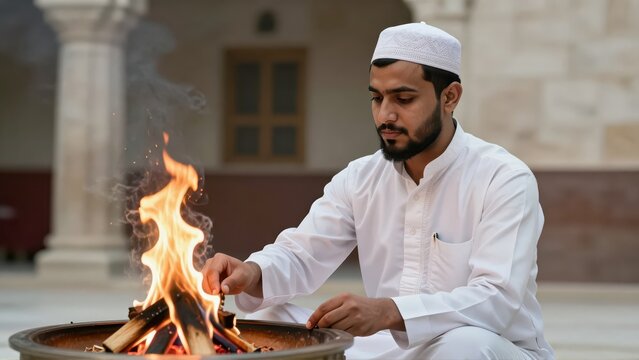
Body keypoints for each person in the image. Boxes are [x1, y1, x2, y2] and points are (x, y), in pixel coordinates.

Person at [202, 22, 554, 359]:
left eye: (403, 99)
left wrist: (389, 312)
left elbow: (496, 300)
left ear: (450, 97)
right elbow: (302, 254)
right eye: (377, 98)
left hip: (492, 347)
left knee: (463, 346)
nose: (385, 115)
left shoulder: (503, 178)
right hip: (384, 348)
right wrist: (253, 273)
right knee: (269, 322)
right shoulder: (361, 178)